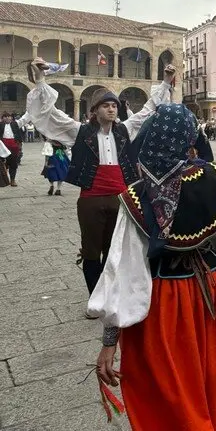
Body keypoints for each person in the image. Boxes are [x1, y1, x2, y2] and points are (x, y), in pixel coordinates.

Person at [89, 103, 216, 431]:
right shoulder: (214, 178)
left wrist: (109, 340)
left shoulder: (137, 196)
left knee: (175, 387)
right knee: (213, 373)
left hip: (166, 303)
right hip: (215, 289)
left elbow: (124, 271)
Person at [25, 56, 176, 298]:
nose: (112, 108)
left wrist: (167, 81)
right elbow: (50, 114)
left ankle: (111, 293)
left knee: (114, 249)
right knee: (91, 251)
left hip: (120, 199)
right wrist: (41, 80)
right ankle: (95, 295)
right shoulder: (79, 131)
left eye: (114, 105)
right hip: (91, 199)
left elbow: (148, 110)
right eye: (106, 105)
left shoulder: (125, 130)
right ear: (95, 111)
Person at [0, 111, 32, 186]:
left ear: (11, 117)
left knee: (13, 164)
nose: (7, 118)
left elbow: (25, 119)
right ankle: (4, 180)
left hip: (14, 146)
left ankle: (12, 180)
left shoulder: (16, 124)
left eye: (9, 116)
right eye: (5, 116)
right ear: (2, 118)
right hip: (3, 147)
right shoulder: (0, 125)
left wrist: (19, 146)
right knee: (3, 164)